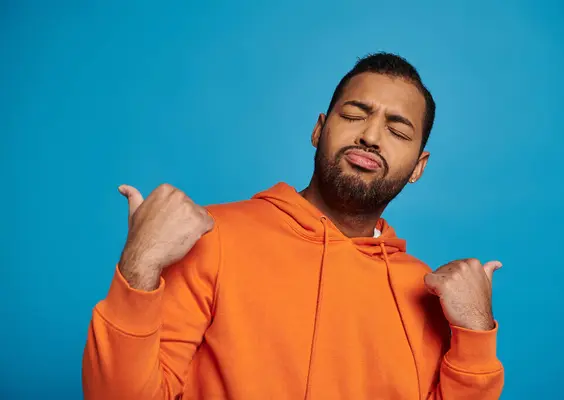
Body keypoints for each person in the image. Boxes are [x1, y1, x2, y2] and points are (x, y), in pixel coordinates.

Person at [82, 52, 504, 400]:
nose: (372, 136)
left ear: (418, 167)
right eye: (355, 115)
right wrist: (141, 264)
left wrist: (476, 335)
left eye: (397, 130)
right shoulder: (212, 238)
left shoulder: (424, 290)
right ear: (319, 130)